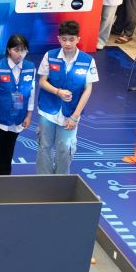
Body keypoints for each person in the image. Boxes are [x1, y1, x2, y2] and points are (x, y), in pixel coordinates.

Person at [35, 21, 95, 174]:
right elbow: (42, 81)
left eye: (71, 39)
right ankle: (43, 179)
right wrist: (58, 92)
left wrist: (75, 116)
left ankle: (62, 180)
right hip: (48, 111)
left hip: (70, 114)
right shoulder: (50, 56)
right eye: (64, 39)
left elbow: (87, 89)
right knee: (44, 146)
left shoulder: (88, 60)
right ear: (59, 39)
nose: (67, 43)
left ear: (78, 39)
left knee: (65, 149)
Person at [0, 34, 36, 176]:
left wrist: (29, 115)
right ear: (8, 50)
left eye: (23, 50)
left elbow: (31, 92)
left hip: (18, 117)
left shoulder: (30, 67)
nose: (20, 54)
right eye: (16, 50)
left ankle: (4, 178)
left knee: (8, 150)